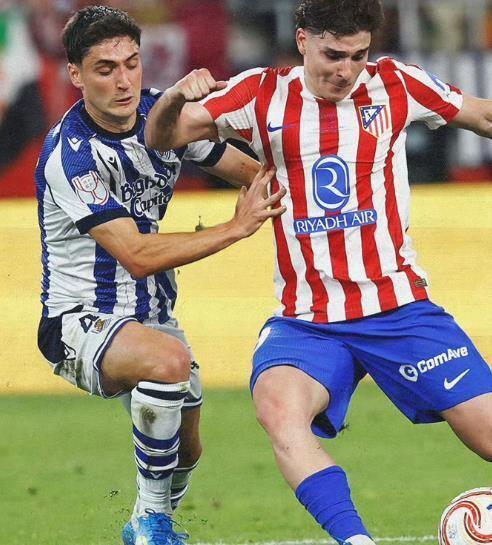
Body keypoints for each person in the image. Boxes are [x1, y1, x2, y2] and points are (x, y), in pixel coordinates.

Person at [144, 1, 492, 544]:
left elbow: (482, 116)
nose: (346, 70)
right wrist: (171, 99)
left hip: (398, 308)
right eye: (333, 55)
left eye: (358, 56)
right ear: (303, 39)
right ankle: (355, 541)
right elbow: (163, 136)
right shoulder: (261, 92)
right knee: (278, 407)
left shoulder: (396, 84)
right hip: (308, 320)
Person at [34, 6, 285, 545]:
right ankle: (152, 524)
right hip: (78, 320)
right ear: (76, 74)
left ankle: (144, 525)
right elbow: (136, 255)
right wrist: (235, 228)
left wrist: (291, 180)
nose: (123, 81)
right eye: (105, 69)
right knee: (168, 363)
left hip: (153, 316)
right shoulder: (70, 156)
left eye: (131, 63)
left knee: (187, 450)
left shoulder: (160, 120)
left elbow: (253, 174)